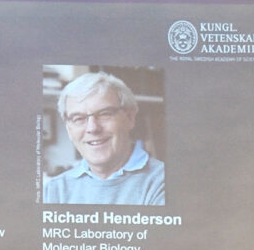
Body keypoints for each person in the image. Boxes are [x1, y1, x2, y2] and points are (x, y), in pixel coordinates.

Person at [44, 71, 165, 206]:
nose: (92, 128)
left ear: (130, 118)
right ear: (69, 129)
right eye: (78, 118)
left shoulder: (163, 181)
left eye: (104, 114)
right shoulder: (54, 190)